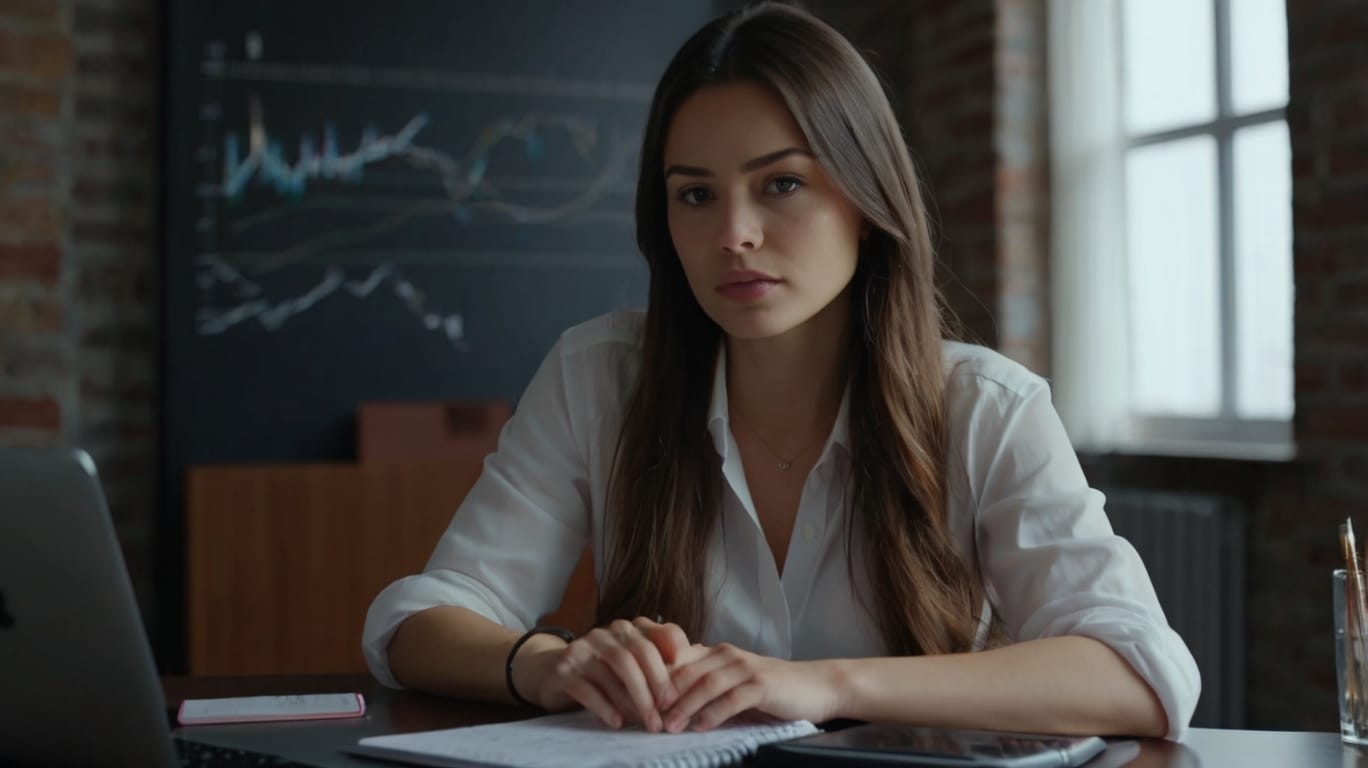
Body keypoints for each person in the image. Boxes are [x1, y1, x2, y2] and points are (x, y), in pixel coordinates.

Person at [362, 1, 1200, 740]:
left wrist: (823, 683)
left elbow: (1139, 672)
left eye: (782, 184)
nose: (734, 233)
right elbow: (416, 621)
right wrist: (547, 664)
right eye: (695, 194)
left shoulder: (986, 407)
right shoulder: (599, 377)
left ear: (866, 203)